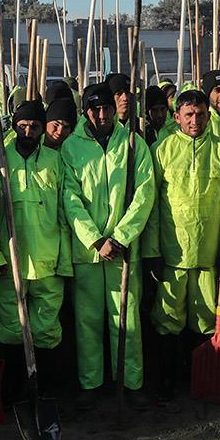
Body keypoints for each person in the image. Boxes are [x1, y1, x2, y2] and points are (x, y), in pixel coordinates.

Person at [59, 82, 155, 410]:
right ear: (85, 111)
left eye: (106, 109)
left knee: (127, 319)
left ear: (115, 109)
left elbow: (144, 193)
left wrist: (120, 237)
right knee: (87, 322)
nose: (102, 115)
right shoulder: (72, 147)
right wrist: (95, 239)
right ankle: (91, 383)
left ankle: (130, 382)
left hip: (122, 252)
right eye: (95, 109)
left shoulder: (132, 143)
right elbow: (70, 198)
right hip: (88, 251)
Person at [149, 88, 220, 402]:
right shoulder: (162, 150)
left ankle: (198, 378)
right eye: (188, 115)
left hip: (207, 255)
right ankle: (167, 380)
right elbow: (151, 206)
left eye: (200, 114)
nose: (195, 121)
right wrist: (152, 251)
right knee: (167, 319)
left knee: (204, 318)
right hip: (172, 254)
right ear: (176, 117)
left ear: (208, 115)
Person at [0, 99, 69, 402]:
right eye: (22, 126)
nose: (28, 131)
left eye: (35, 126)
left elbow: (63, 212)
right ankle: (12, 390)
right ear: (13, 126)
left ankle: (43, 390)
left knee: (46, 329)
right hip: (10, 261)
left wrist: (64, 260)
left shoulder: (54, 160)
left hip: (48, 259)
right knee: (11, 328)